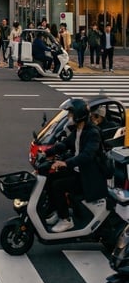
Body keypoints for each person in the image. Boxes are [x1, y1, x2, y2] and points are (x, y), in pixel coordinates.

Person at [45, 98, 107, 233]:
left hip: (89, 176)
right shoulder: (79, 129)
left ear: (79, 115)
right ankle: (58, 210)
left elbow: (87, 156)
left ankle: (66, 220)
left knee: (58, 186)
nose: (68, 117)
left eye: (70, 114)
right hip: (78, 170)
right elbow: (65, 143)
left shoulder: (92, 133)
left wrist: (65, 163)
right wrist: (47, 152)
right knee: (50, 178)